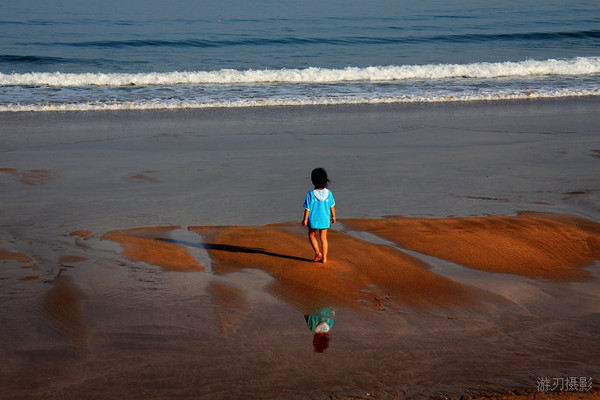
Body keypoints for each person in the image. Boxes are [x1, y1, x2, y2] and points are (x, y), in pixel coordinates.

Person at [302, 168, 336, 263]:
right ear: (325, 180)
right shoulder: (328, 193)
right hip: (325, 219)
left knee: (311, 234)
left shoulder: (310, 194)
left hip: (313, 219)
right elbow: (332, 206)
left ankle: (318, 253)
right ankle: (324, 258)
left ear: (313, 181)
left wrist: (305, 219)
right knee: (323, 238)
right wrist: (333, 216)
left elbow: (307, 208)